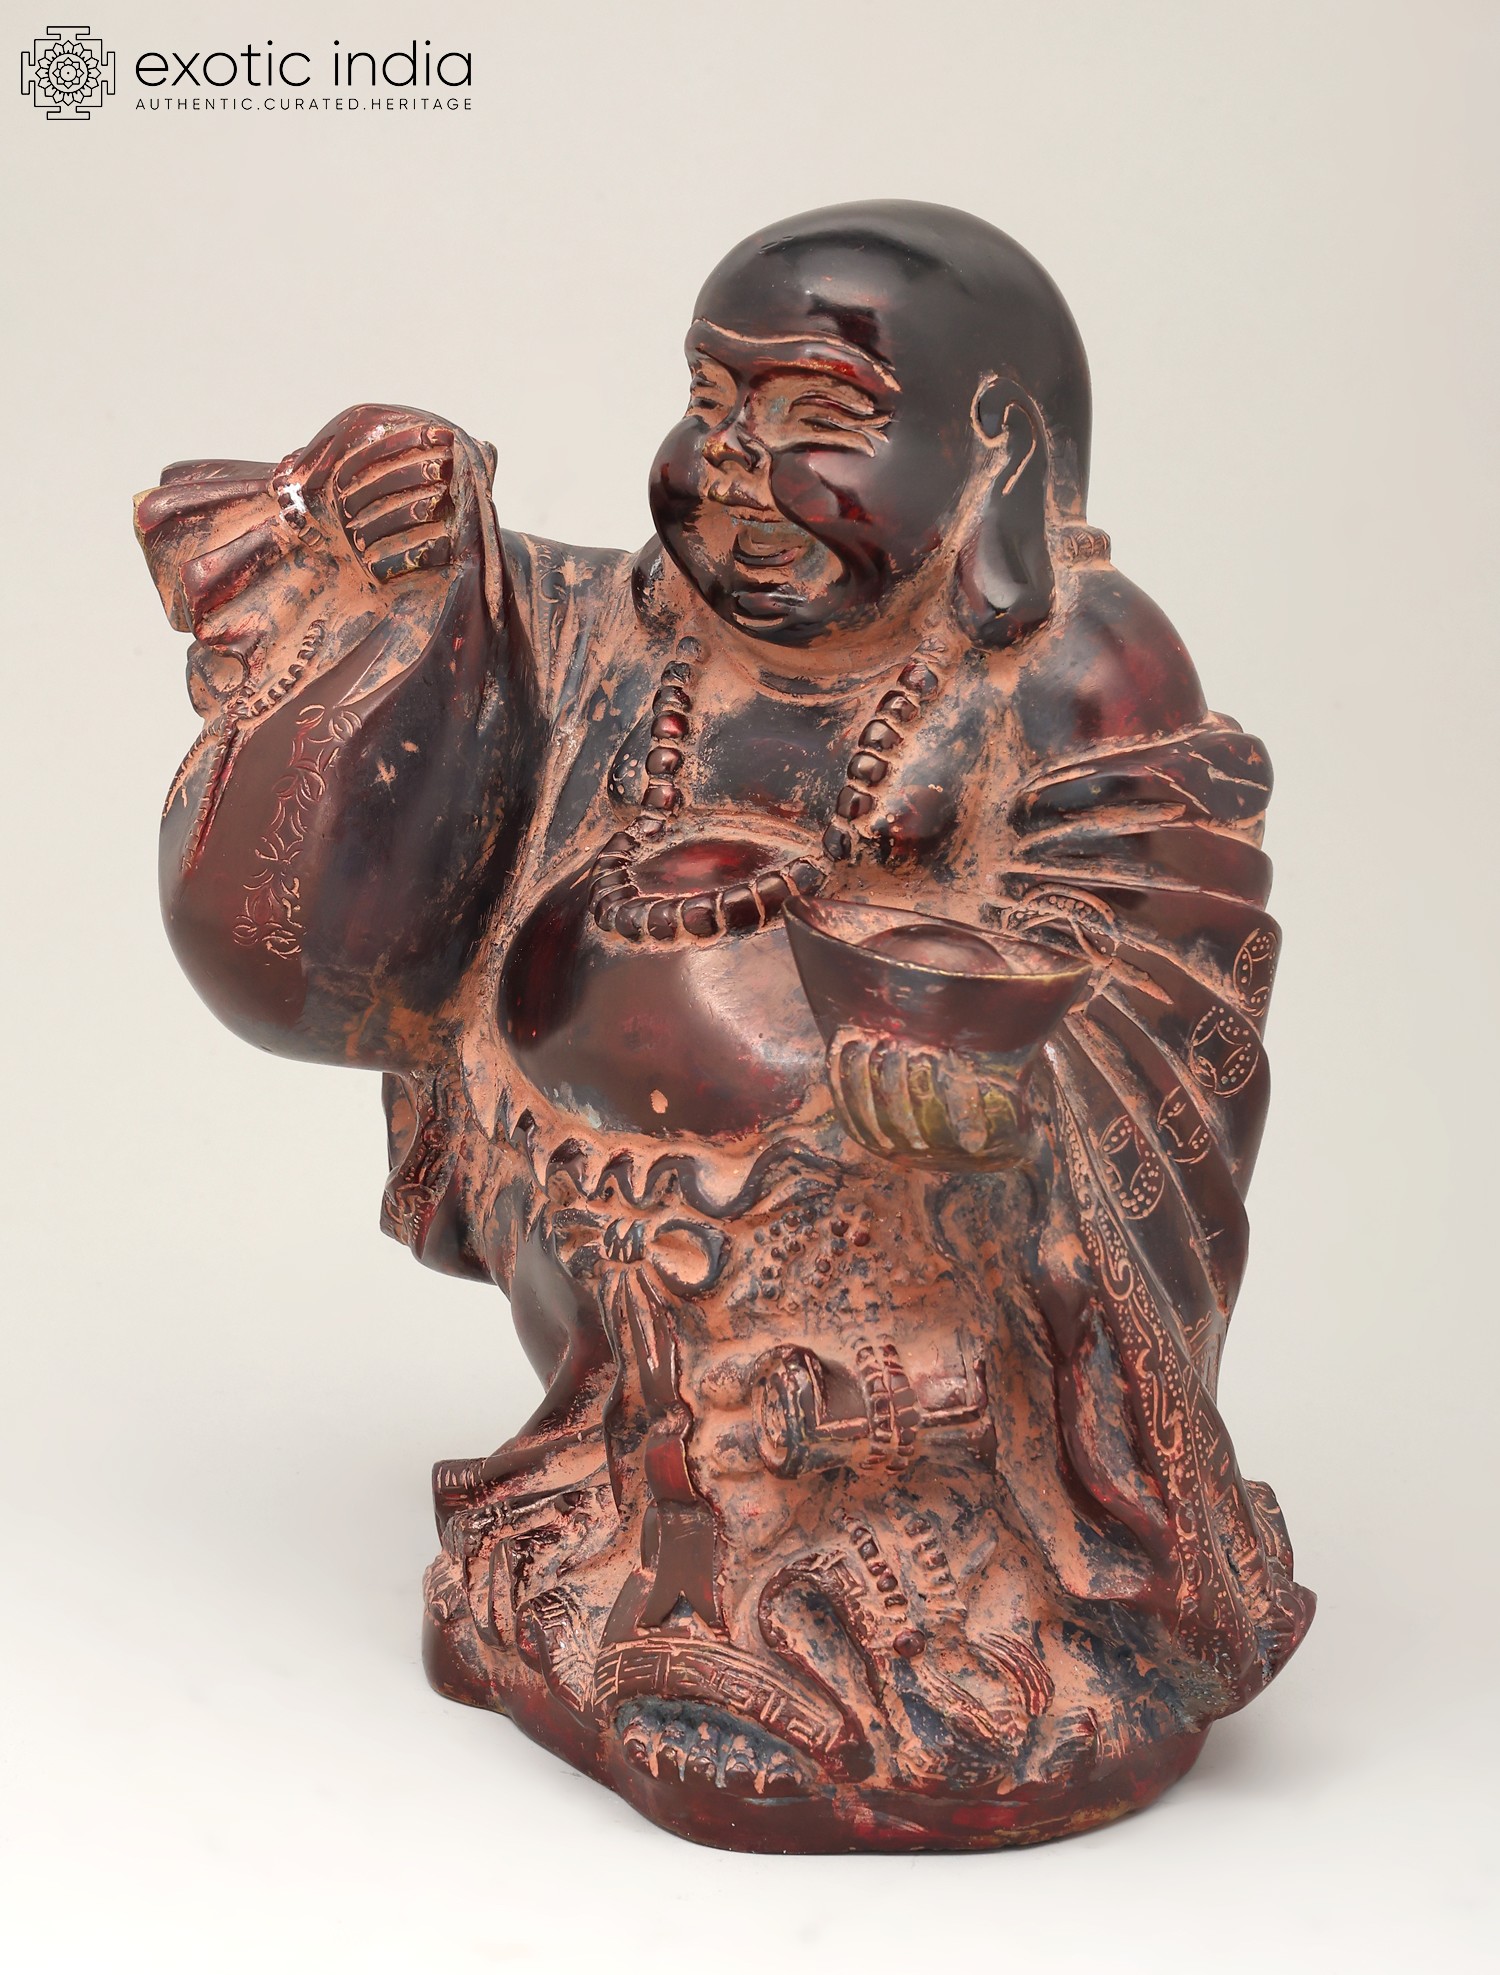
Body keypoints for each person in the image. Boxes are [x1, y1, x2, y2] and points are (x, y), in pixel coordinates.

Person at [137, 200, 1312, 1851]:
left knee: (878, 1447)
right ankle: (652, 1513)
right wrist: (409, 578)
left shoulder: (1075, 677)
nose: (739, 477)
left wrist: (961, 1056)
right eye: (711, 409)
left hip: (911, 1320)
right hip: (619, 1270)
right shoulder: (608, 631)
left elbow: (1151, 980)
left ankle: (889, 1608)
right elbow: (306, 959)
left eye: (819, 420)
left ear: (997, 447)